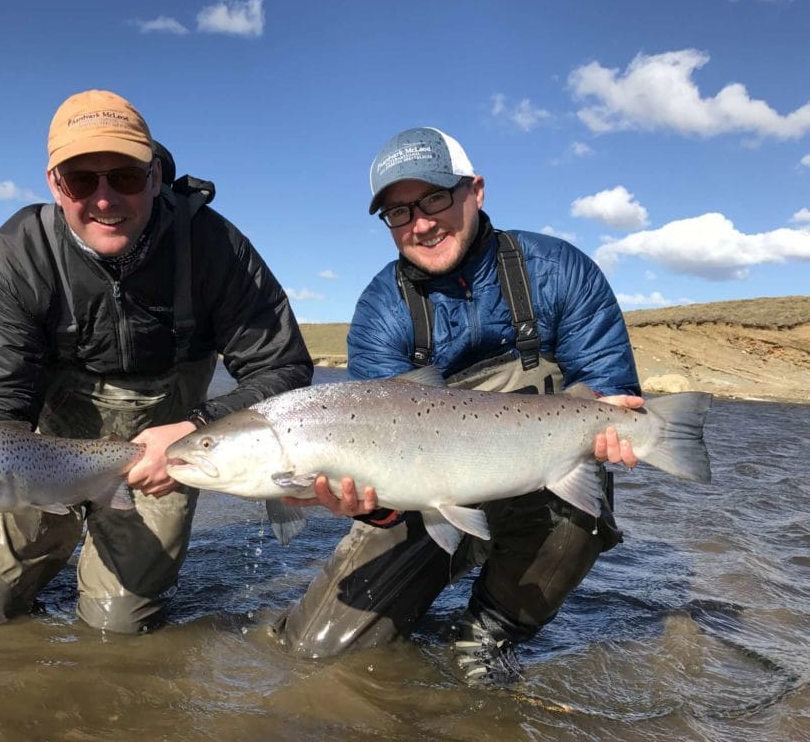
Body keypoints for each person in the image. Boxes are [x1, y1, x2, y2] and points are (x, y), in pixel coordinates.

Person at [0, 89, 313, 632]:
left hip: (164, 453)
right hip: (40, 453)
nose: (103, 199)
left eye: (123, 177)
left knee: (120, 627)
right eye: (81, 180)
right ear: (54, 183)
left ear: (155, 176)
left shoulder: (216, 249)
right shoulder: (18, 255)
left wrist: (198, 428)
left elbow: (282, 371)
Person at [275, 126, 642, 684]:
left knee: (581, 511)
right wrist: (368, 505)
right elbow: (376, 457)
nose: (420, 223)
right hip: (422, 491)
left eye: (434, 198)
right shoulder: (381, 310)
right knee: (318, 653)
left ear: (477, 191)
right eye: (398, 213)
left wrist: (622, 419)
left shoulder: (559, 270)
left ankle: (493, 628)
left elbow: (605, 384)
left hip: (539, 477)